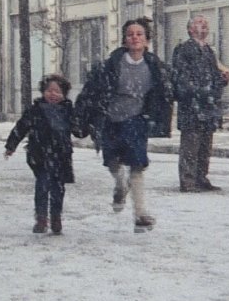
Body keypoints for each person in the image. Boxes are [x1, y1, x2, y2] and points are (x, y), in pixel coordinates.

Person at [74, 18, 173, 232]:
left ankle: (140, 214)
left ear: (147, 40)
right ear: (124, 40)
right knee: (112, 162)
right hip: (110, 120)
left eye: (139, 34)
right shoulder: (111, 64)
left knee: (137, 165)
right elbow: (91, 91)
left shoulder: (155, 66)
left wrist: (156, 116)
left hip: (136, 120)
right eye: (130, 34)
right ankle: (120, 184)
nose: (135, 38)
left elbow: (167, 91)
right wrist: (81, 117)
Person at [4, 74, 83, 235]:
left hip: (61, 156)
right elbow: (21, 127)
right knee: (42, 185)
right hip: (39, 154)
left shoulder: (68, 111)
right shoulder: (35, 110)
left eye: (57, 91)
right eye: (49, 90)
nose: (53, 94)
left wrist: (88, 126)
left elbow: (78, 130)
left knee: (58, 189)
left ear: (64, 94)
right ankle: (41, 217)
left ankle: (56, 217)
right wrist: (11, 145)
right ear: (42, 92)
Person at [171, 15, 229, 192]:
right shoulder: (183, 50)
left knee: (205, 144)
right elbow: (181, 78)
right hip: (192, 106)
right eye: (199, 23)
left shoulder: (208, 51)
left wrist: (222, 80)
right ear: (190, 29)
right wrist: (198, 91)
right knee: (191, 144)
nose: (204, 25)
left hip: (208, 106)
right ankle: (188, 181)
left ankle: (201, 177)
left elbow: (213, 77)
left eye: (205, 23)